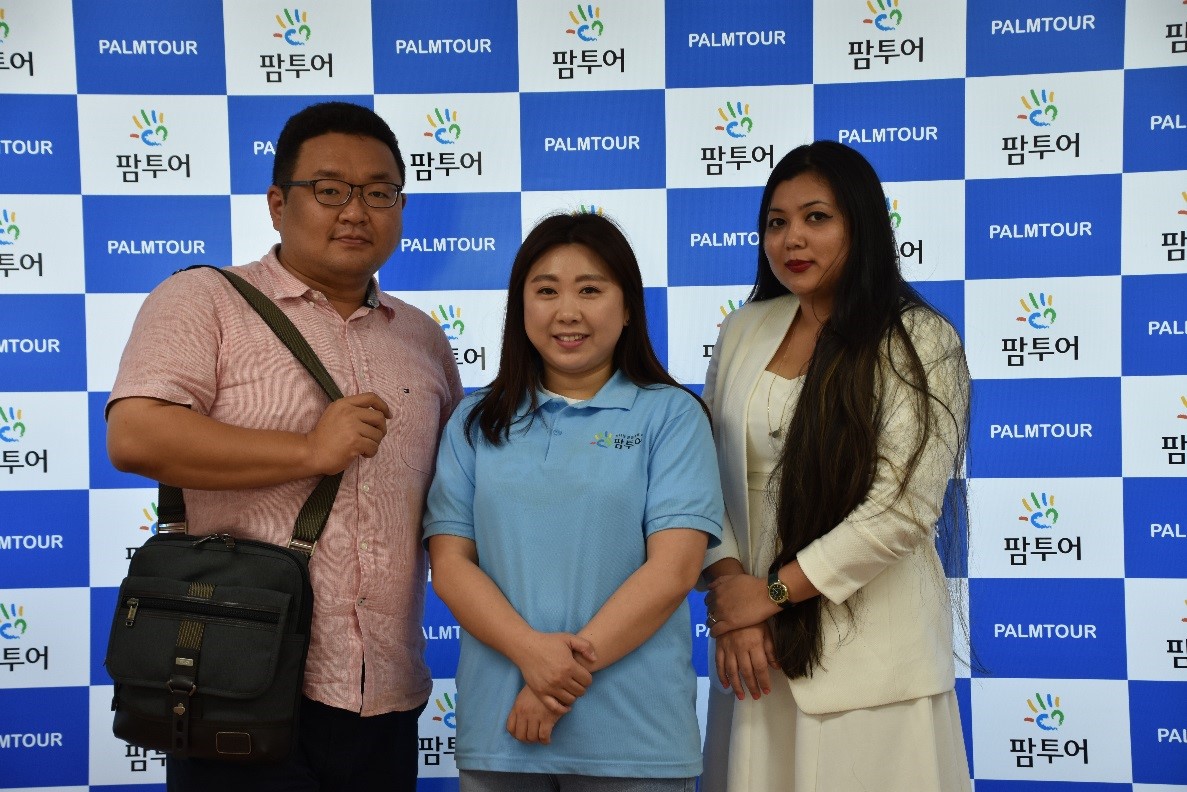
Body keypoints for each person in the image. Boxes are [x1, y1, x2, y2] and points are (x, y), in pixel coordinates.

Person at [106, 101, 463, 791]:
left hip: (386, 692)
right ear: (277, 203)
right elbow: (135, 434)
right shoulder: (204, 299)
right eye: (329, 190)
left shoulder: (420, 335)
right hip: (234, 680)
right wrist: (307, 452)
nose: (355, 212)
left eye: (379, 193)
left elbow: (455, 491)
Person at [699, 140, 972, 791]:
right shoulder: (743, 329)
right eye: (776, 222)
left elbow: (902, 510)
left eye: (816, 217)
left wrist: (769, 596)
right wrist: (733, 596)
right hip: (754, 657)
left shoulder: (918, 339)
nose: (791, 238)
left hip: (872, 665)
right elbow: (701, 475)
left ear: (862, 224)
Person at [423, 212, 723, 792]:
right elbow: (451, 566)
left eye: (590, 289)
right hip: (500, 734)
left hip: (636, 737)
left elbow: (674, 570)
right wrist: (530, 654)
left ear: (628, 306)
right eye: (546, 291)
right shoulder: (475, 420)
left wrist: (551, 683)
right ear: (521, 306)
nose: (567, 312)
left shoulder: (671, 415)